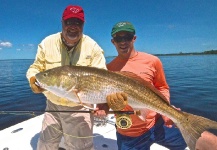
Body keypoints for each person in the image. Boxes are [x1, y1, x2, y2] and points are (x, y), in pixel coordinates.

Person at [26, 5, 107, 150]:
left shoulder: (93, 47)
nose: (73, 27)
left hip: (80, 108)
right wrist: (33, 78)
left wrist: (104, 102)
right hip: (52, 106)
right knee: (45, 144)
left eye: (78, 23)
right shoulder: (47, 43)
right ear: (62, 22)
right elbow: (36, 67)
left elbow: (103, 78)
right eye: (69, 22)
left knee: (80, 147)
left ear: (83, 25)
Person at [104, 21, 188, 150]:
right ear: (113, 41)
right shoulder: (108, 69)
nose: (123, 42)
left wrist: (166, 111)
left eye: (127, 37)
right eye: (118, 38)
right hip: (130, 133)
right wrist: (103, 107)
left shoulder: (153, 61)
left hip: (158, 123)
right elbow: (106, 97)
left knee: (203, 141)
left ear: (134, 38)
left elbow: (162, 87)